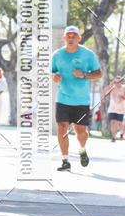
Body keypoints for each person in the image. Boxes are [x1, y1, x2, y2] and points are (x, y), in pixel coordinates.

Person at [52, 26, 102, 171]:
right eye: (68, 36)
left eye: (74, 36)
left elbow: (99, 73)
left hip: (81, 100)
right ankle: (65, 160)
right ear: (64, 38)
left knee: (81, 132)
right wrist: (54, 76)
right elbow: (51, 71)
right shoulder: (57, 55)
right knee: (62, 128)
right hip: (63, 98)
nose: (71, 38)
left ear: (79, 38)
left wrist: (84, 75)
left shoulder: (88, 54)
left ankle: (82, 149)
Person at [103, 77, 125, 142]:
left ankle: (121, 133)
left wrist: (122, 97)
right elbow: (105, 93)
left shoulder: (123, 88)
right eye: (115, 82)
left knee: (120, 123)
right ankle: (114, 137)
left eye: (118, 82)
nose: (117, 83)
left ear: (121, 82)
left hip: (121, 109)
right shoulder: (112, 87)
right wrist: (110, 86)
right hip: (112, 108)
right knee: (113, 122)